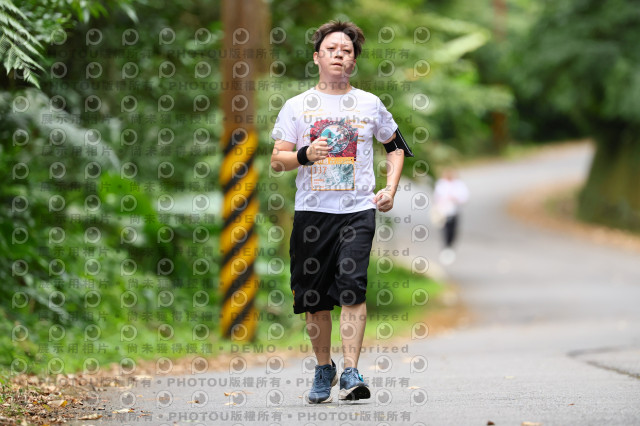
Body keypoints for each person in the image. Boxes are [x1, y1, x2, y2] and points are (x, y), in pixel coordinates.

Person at [270, 20, 405, 403]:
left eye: (346, 51)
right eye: (331, 49)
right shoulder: (297, 106)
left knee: (352, 288)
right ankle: (323, 367)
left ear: (353, 62)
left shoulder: (370, 104)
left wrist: (390, 189)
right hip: (311, 213)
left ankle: (350, 371)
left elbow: (396, 146)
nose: (339, 55)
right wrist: (305, 154)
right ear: (317, 57)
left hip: (357, 212)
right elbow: (277, 160)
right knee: (313, 300)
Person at [433, 168, 469, 265]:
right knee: (445, 231)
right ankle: (446, 248)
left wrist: (455, 198)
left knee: (453, 231)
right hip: (443, 212)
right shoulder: (441, 184)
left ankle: (450, 247)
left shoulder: (459, 185)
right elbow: (437, 197)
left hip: (454, 212)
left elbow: (464, 197)